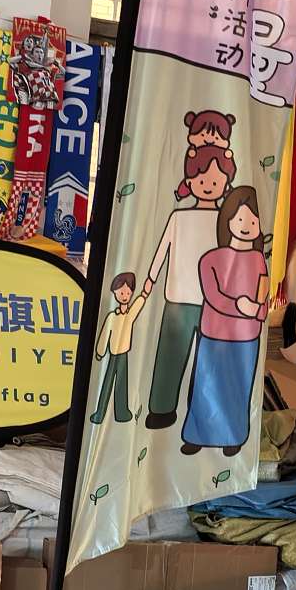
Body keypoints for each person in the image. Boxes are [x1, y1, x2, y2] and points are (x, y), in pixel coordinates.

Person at [142, 144, 234, 428]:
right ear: (190, 181)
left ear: (226, 184)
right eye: (201, 179)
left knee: (206, 362)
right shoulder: (179, 217)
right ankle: (162, 411)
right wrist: (149, 280)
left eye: (215, 181)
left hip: (212, 301)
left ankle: (198, 417)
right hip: (180, 298)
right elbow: (162, 250)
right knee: (171, 357)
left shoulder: (226, 220)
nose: (208, 185)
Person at [182, 184, 272, 457]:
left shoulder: (259, 259)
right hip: (214, 333)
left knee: (239, 388)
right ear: (228, 220)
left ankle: (234, 436)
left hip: (247, 337)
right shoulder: (211, 259)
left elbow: (264, 297)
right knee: (205, 384)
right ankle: (197, 435)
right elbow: (213, 297)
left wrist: (256, 311)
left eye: (253, 221)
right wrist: (241, 306)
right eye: (240, 218)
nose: (246, 226)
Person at [91, 272, 147, 424]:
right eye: (121, 292)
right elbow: (104, 335)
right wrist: (100, 351)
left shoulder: (129, 316)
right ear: (115, 293)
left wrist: (144, 294)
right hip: (113, 354)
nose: (125, 296)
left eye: (128, 293)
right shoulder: (112, 316)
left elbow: (137, 306)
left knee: (121, 385)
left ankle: (122, 413)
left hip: (123, 354)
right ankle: (100, 413)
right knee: (107, 384)